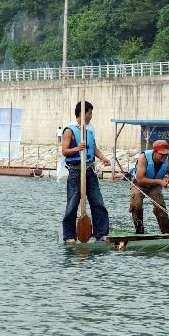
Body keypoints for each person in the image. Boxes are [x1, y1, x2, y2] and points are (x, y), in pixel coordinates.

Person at [61, 100, 112, 243]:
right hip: (75, 172)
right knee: (72, 204)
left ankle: (101, 233)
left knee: (98, 202)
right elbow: (64, 151)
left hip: (89, 171)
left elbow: (94, 148)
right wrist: (77, 148)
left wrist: (103, 158)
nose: (91, 116)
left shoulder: (90, 129)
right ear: (82, 113)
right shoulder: (69, 130)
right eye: (90, 113)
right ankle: (70, 236)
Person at [130, 140, 169, 235]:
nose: (164, 157)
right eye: (162, 154)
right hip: (139, 185)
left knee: (161, 207)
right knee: (136, 205)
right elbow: (140, 179)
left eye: (166, 155)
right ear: (155, 152)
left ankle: (166, 233)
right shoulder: (143, 158)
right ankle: (139, 231)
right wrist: (159, 181)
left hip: (154, 187)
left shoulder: (168, 164)